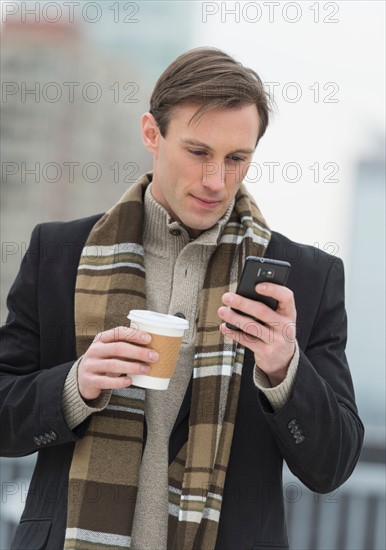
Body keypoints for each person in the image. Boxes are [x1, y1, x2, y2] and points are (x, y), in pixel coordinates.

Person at [0, 47, 363, 550]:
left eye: (237, 159)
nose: (217, 181)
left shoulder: (306, 277)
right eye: (198, 152)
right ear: (152, 133)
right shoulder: (59, 253)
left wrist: (285, 371)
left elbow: (333, 466)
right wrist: (73, 385)